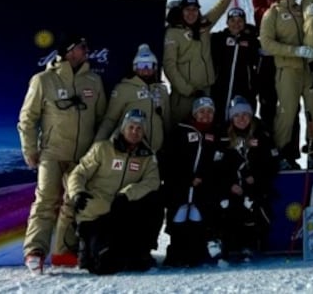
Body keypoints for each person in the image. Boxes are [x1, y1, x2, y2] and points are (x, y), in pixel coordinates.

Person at [17, 33, 107, 273]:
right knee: (46, 199)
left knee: (73, 203)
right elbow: (27, 118)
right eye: (81, 47)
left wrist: (96, 153)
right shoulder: (44, 80)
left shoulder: (94, 81)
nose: (86, 50)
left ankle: (64, 253)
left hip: (82, 157)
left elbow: (102, 120)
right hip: (52, 153)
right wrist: (30, 149)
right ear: (69, 51)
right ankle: (35, 252)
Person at [68, 109, 162, 274]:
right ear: (123, 128)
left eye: (139, 128)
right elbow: (79, 173)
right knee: (103, 266)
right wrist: (77, 192)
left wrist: (128, 194)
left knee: (155, 200)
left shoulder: (147, 156)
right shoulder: (102, 149)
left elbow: (152, 181)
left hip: (122, 211)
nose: (135, 132)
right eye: (131, 127)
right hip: (98, 212)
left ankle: (141, 252)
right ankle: (88, 248)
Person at [258, 0, 313, 167]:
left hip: (309, 69)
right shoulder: (273, 14)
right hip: (287, 69)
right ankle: (281, 152)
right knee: (288, 112)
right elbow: (267, 43)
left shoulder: (302, 9)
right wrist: (293, 51)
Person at [164, 0, 239, 124]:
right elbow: (169, 66)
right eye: (187, 10)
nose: (191, 13)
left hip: (206, 91)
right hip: (184, 95)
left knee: (205, 130)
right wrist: (187, 90)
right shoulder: (172, 34)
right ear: (181, 12)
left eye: (194, 10)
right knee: (180, 129)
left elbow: (220, 7)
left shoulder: (203, 26)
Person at [214, 96, 280, 262]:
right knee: (225, 205)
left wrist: (255, 178)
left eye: (245, 115)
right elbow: (216, 166)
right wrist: (230, 184)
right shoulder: (223, 134)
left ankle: (249, 245)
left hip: (255, 186)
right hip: (229, 186)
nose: (241, 119)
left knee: (252, 205)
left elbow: (272, 163)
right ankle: (226, 245)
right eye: (237, 115)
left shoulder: (262, 133)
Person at [161, 97, 221, 268]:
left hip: (202, 189)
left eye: (209, 112)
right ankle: (175, 253)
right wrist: (186, 178)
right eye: (202, 111)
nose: (206, 115)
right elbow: (170, 160)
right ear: (194, 113)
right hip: (179, 187)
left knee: (198, 218)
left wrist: (203, 177)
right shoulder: (181, 131)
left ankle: (195, 252)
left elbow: (217, 162)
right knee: (178, 217)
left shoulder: (215, 133)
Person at [96, 44, 170, 152]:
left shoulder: (162, 90)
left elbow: (167, 121)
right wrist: (97, 145)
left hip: (156, 151)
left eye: (149, 65)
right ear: (135, 68)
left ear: (155, 68)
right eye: (141, 65)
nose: (145, 69)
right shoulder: (124, 88)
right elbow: (110, 120)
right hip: (131, 149)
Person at [210, 7, 260, 124]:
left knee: (241, 120)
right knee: (219, 119)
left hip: (244, 90)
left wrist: (254, 87)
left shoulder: (252, 42)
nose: (236, 24)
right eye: (232, 20)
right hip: (220, 89)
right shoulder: (218, 39)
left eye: (240, 21)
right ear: (227, 22)